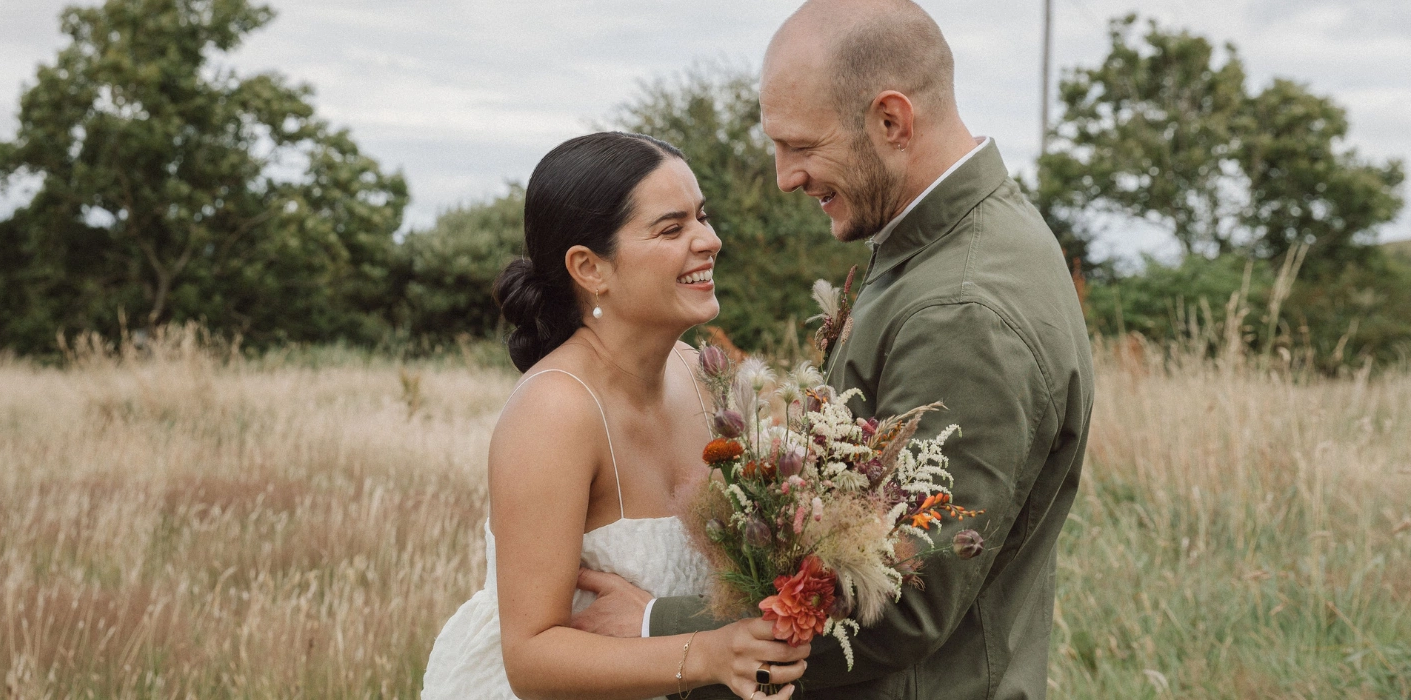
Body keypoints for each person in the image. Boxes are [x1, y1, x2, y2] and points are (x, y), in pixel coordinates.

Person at [568, 2, 1096, 698]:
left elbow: (903, 602)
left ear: (891, 121)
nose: (785, 177)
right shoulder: (941, 244)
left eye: (802, 146)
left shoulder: (962, 310)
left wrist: (658, 628)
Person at [420, 131, 809, 700]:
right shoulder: (555, 410)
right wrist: (706, 651)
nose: (711, 241)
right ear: (589, 267)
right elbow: (531, 658)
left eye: (703, 217)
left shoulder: (705, 377)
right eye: (672, 229)